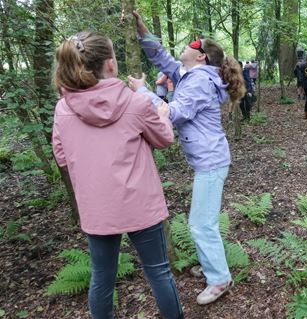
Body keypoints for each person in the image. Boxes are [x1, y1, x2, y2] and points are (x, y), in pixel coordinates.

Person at [51, 31, 183, 319]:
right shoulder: (135, 103)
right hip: (140, 204)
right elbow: (164, 139)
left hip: (97, 208)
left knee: (102, 277)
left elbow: (62, 157)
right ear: (110, 64)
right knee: (159, 272)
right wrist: (161, 115)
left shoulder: (63, 108)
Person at [132, 11, 246, 305]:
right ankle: (213, 268)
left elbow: (172, 113)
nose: (183, 47)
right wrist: (143, 30)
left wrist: (143, 91)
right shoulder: (191, 74)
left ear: (201, 57)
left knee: (200, 224)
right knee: (203, 221)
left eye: (191, 45)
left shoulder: (198, 83)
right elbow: (163, 59)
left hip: (211, 162)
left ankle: (220, 279)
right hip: (208, 160)